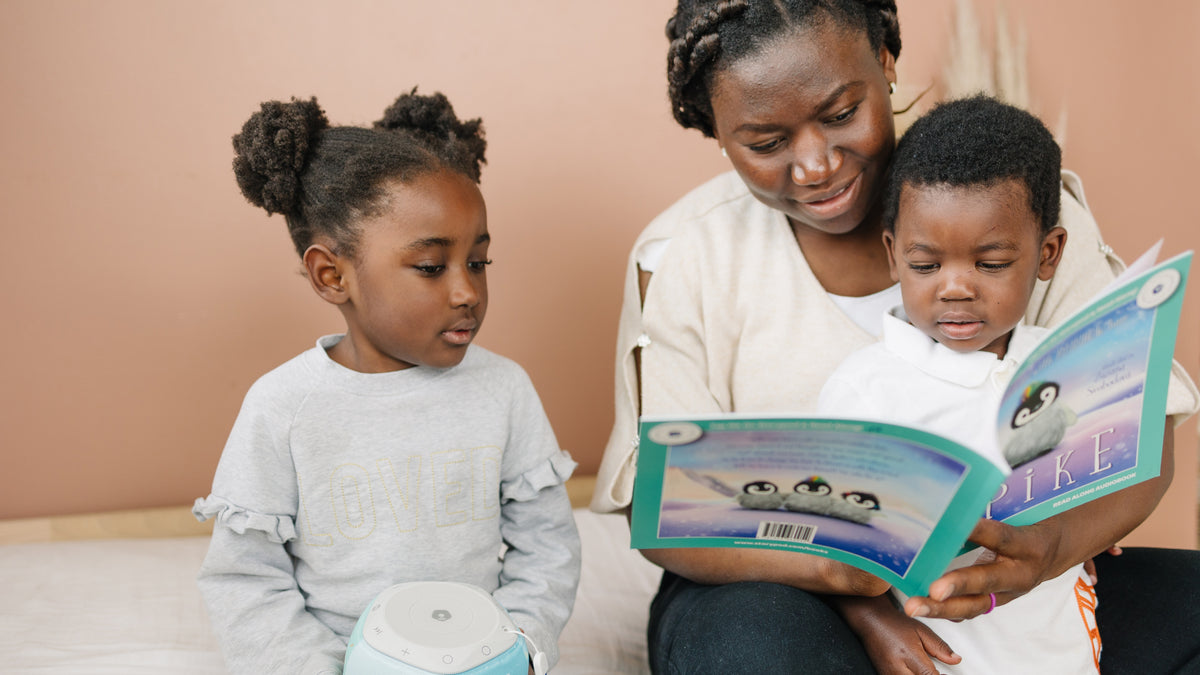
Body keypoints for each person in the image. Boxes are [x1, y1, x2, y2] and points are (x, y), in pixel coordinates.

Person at [588, 1, 1200, 673]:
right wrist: (860, 597)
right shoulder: (686, 256)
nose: (816, 164)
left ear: (884, 63)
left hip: (1009, 580)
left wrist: (1050, 548)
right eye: (765, 143)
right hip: (771, 589)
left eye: (841, 112)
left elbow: (1145, 432)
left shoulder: (1013, 202)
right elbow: (668, 515)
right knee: (755, 648)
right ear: (718, 132)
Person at [193, 91, 581, 675]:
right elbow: (246, 582)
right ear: (332, 276)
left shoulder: (504, 390)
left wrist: (519, 646)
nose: (466, 292)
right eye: (430, 267)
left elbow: (547, 548)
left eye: (478, 262)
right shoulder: (284, 408)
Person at [817, 94, 1099, 674]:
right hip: (942, 654)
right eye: (926, 266)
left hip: (1059, 647)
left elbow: (1092, 490)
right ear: (894, 254)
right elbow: (831, 552)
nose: (954, 289)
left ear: (1048, 254)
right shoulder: (865, 390)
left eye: (990, 264)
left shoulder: (1064, 367)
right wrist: (873, 619)